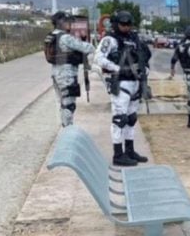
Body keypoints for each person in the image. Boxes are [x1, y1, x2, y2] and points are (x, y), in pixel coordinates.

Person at [95, 10, 152, 166]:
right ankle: (118, 154)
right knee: (120, 119)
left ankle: (130, 150)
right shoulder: (110, 40)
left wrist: (144, 70)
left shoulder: (135, 38)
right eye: (123, 24)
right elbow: (98, 58)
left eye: (129, 24)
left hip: (135, 82)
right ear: (116, 24)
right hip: (120, 82)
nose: (126, 27)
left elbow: (143, 57)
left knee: (131, 119)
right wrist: (117, 68)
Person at [45, 11, 96, 127]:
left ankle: (65, 127)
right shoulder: (65, 38)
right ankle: (68, 129)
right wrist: (89, 44)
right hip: (67, 75)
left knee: (63, 104)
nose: (70, 24)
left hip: (56, 73)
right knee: (69, 105)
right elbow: (87, 48)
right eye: (67, 21)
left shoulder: (52, 35)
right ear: (60, 22)